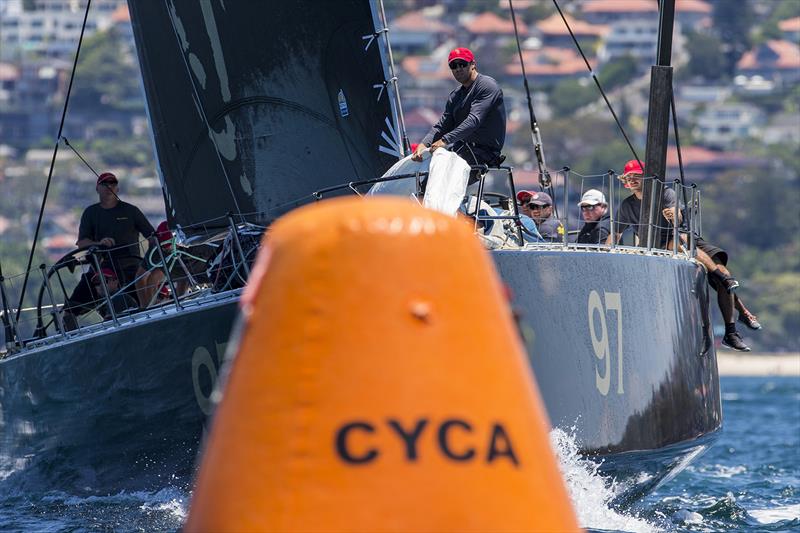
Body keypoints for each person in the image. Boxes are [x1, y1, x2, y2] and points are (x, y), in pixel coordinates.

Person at [609, 160, 757, 351]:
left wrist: (673, 215)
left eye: (637, 176)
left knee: (723, 271)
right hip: (661, 243)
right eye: (629, 177)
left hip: (686, 237)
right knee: (681, 247)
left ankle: (731, 331)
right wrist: (606, 252)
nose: (632, 180)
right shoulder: (627, 205)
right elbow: (616, 234)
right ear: (625, 182)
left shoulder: (665, 194)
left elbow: (678, 218)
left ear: (646, 178)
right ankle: (741, 311)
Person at [62, 172, 155, 329]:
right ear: (97, 188)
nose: (109, 186)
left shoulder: (131, 211)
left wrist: (149, 265)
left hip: (131, 268)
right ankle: (70, 334)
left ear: (117, 188)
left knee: (145, 306)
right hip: (101, 270)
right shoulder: (91, 213)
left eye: (113, 183)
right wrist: (99, 243)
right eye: (104, 184)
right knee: (69, 310)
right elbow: (82, 242)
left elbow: (153, 238)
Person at [411, 47, 506, 170]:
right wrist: (423, 144)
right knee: (425, 181)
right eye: (453, 66)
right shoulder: (455, 96)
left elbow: (473, 120)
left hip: (484, 153)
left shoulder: (487, 86)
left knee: (444, 181)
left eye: (462, 64)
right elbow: (442, 126)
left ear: (473, 64)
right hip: (461, 149)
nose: (458, 69)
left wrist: (445, 140)